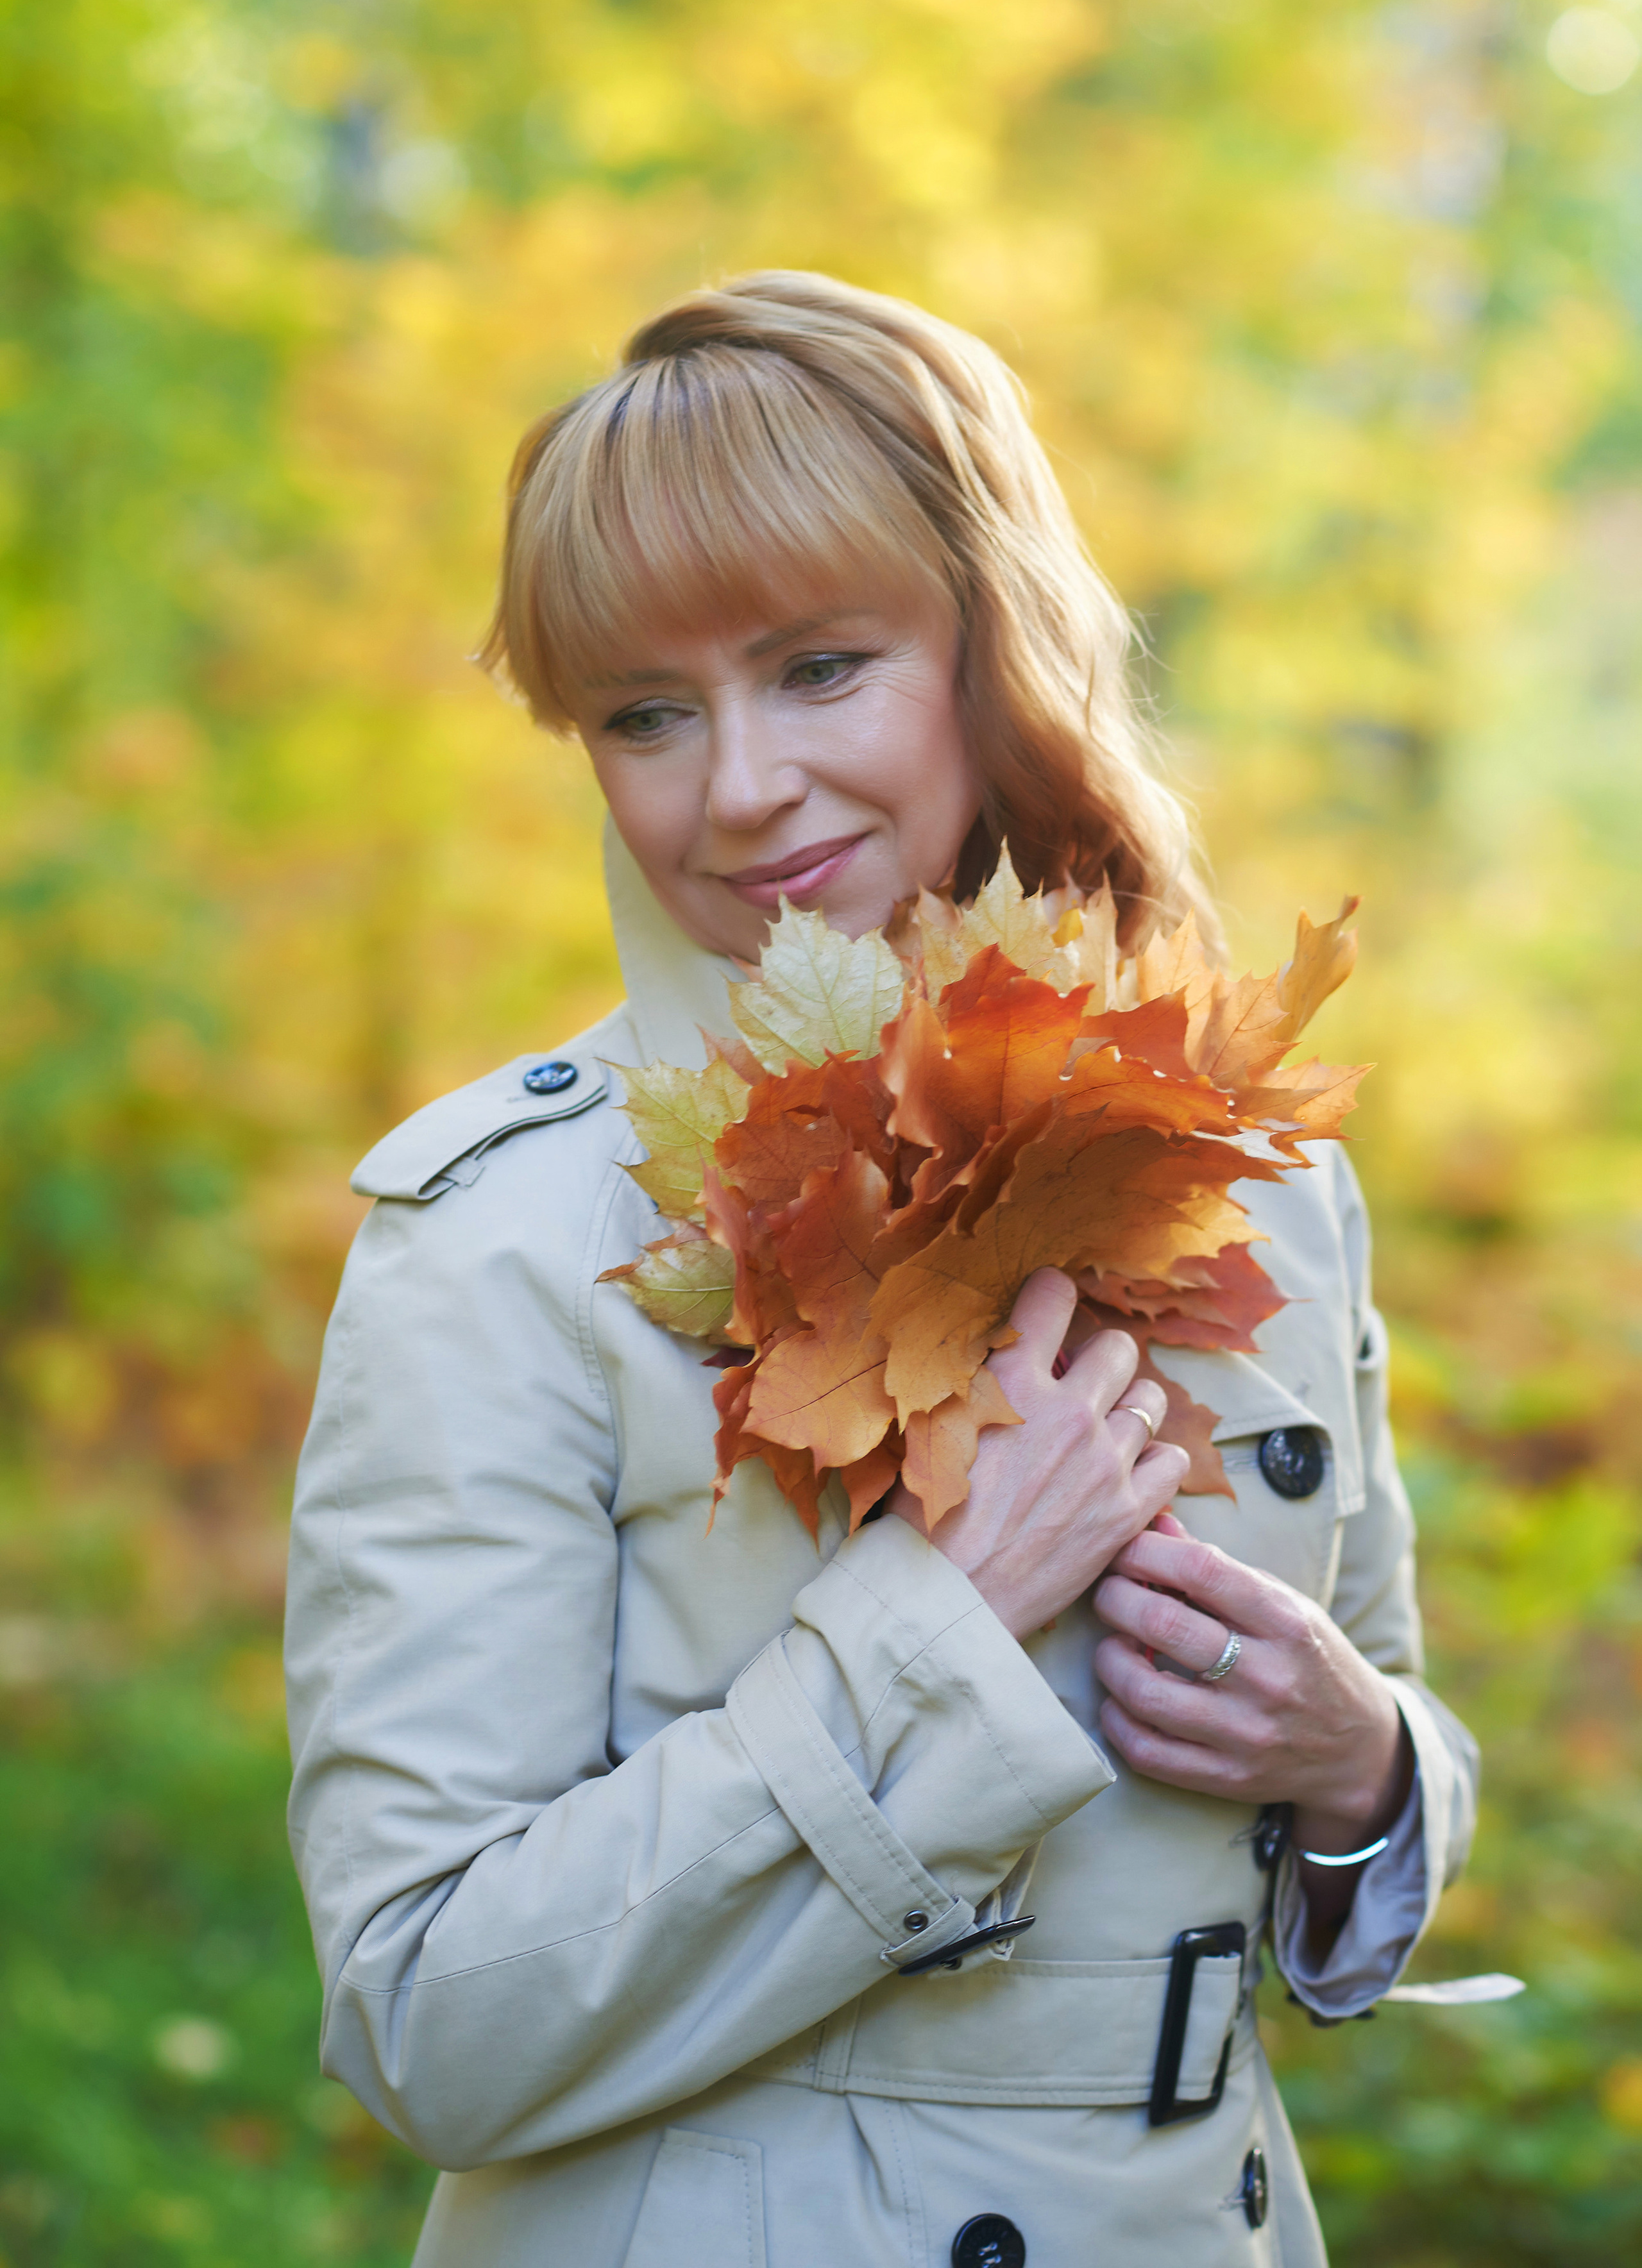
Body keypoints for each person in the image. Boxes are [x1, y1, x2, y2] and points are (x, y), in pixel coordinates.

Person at [284, 272, 1478, 2268]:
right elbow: (423, 2011)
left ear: (998, 650)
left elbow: (1378, 1762)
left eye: (820, 666)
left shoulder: (1262, 1183)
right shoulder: (508, 1237)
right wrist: (939, 1621)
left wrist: (1357, 1767)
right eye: (645, 714)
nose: (733, 785)